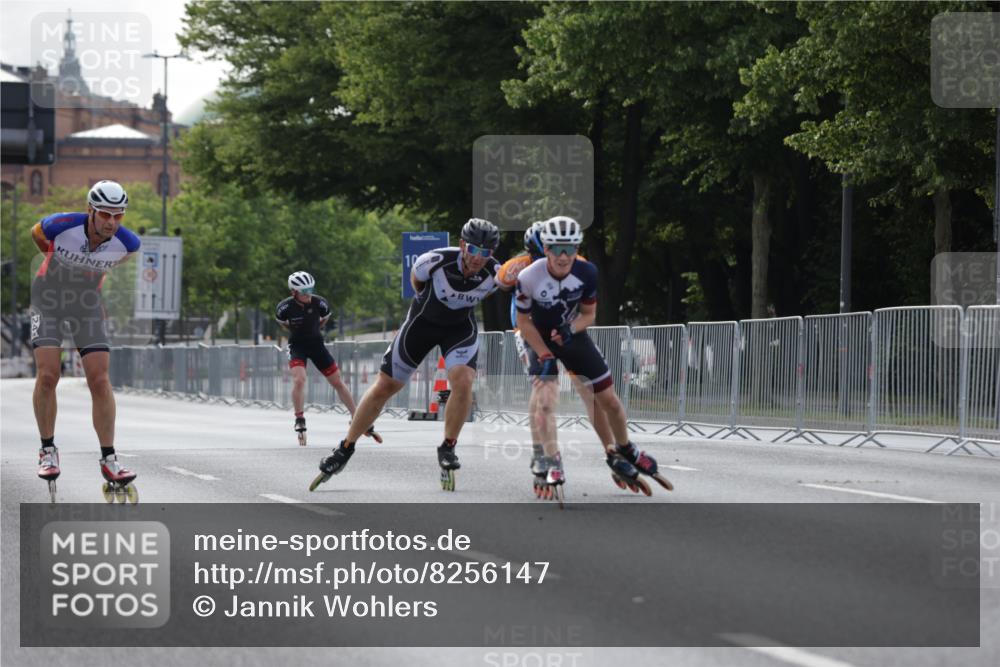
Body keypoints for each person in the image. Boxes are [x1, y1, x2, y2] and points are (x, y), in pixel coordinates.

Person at [310, 218, 502, 492]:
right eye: (473, 249)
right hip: (422, 325)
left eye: (485, 252)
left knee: (463, 381)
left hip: (459, 329)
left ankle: (448, 447)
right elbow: (417, 283)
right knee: (385, 386)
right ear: (462, 245)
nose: (477, 258)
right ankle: (345, 448)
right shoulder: (434, 260)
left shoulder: (497, 273)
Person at [515, 216, 673, 498]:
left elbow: (589, 314)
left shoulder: (587, 272)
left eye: (571, 249)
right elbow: (523, 323)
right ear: (546, 249)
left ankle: (624, 448)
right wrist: (544, 354)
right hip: (536, 337)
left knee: (606, 399)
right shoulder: (527, 276)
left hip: (570, 334)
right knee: (545, 400)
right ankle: (549, 457)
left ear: (577, 249)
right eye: (557, 249)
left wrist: (571, 329)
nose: (564, 256)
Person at [29, 180, 140, 503]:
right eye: (105, 214)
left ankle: (109, 458)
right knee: (48, 375)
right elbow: (37, 233)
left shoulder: (127, 243)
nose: (111, 222)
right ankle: (47, 450)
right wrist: (59, 264)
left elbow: (116, 260)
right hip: (48, 299)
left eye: (118, 216)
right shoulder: (61, 225)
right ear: (91, 210)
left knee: (100, 379)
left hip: (86, 303)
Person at [496, 221, 615, 497]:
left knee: (588, 390)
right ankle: (540, 452)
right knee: (542, 391)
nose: (553, 261)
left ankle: (612, 450)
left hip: (563, 329)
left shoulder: (574, 262)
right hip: (528, 331)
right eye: (540, 255)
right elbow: (499, 281)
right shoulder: (521, 267)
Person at [276, 271, 381, 446]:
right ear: (293, 292)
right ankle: (299, 418)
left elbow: (324, 319)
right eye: (304, 292)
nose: (308, 294)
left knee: (337, 381)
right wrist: (299, 331)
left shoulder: (320, 303)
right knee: (299, 380)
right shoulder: (284, 308)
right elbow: (283, 323)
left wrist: (313, 329)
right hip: (297, 347)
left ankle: (356, 416)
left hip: (317, 345)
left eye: (311, 289)